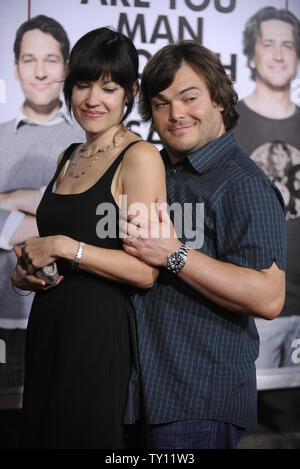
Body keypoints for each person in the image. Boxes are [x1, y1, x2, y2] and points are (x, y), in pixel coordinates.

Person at [121, 40, 286, 449]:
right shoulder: (149, 169)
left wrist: (175, 255)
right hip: (133, 399)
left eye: (189, 97)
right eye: (160, 103)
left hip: (198, 403)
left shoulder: (243, 184)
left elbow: (268, 297)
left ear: (218, 99)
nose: (176, 113)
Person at [11, 27, 166, 449]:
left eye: (108, 87)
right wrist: (25, 273)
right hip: (47, 330)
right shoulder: (69, 156)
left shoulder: (140, 157)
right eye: (82, 85)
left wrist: (63, 246)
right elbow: (54, 247)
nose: (92, 99)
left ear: (131, 93)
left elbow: (146, 271)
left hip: (98, 337)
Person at [0, 15, 84, 404]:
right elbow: (70, 215)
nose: (39, 71)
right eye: (28, 59)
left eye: (50, 60)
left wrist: (8, 199)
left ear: (66, 68)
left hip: (63, 313)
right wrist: (53, 216)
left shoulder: (86, 138)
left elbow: (89, 216)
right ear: (15, 66)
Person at [234, 6, 300, 369]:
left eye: (288, 46)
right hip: (249, 310)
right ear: (251, 54)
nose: (278, 55)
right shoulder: (227, 128)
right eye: (268, 44)